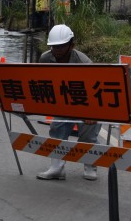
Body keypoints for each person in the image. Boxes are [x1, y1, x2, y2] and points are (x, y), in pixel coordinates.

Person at [36, 24, 100, 181]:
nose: (57, 50)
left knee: (88, 136)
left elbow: (96, 91)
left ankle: (90, 165)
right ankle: (57, 168)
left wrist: (93, 112)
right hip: (65, 101)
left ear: (72, 45)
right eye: (54, 46)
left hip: (88, 102)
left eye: (61, 46)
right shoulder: (45, 59)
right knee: (57, 129)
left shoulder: (84, 63)